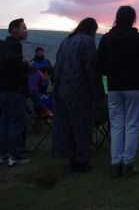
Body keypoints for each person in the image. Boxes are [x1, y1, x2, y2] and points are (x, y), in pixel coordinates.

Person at [97, 6, 139, 178]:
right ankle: (127, 163)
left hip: (114, 87)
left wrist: (111, 74)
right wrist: (138, 74)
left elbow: (99, 64)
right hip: (134, 87)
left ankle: (115, 163)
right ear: (133, 19)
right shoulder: (138, 38)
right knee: (132, 124)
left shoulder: (106, 39)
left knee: (116, 124)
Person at [52, 17, 99, 173]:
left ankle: (71, 158)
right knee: (82, 127)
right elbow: (91, 68)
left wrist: (56, 88)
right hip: (80, 90)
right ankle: (82, 161)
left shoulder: (66, 41)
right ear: (92, 29)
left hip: (62, 89)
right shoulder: (87, 42)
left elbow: (57, 67)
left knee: (68, 126)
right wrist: (97, 91)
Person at [0, 18, 30, 167]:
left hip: (3, 91)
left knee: (5, 123)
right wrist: (25, 65)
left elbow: (0, 67)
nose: (26, 30)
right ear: (14, 29)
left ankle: (1, 155)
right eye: (23, 28)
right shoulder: (15, 45)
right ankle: (14, 156)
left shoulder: (2, 46)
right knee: (16, 123)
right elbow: (14, 66)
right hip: (15, 91)